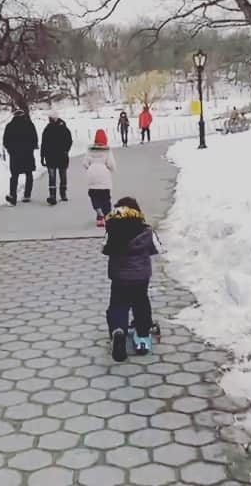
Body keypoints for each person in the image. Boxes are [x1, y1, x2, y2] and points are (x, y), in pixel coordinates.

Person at [102, 197, 159, 362]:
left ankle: (118, 331)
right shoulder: (146, 231)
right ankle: (142, 336)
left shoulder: (112, 231)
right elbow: (158, 248)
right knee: (141, 303)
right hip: (141, 277)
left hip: (119, 277)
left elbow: (104, 249)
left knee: (118, 304)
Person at [3, 109, 39, 206]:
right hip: (27, 154)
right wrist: (31, 148)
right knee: (29, 174)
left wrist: (10, 150)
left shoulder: (10, 126)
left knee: (14, 176)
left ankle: (13, 196)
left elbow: (5, 141)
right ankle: (27, 195)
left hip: (15, 155)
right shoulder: (29, 125)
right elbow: (35, 139)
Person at [83, 129, 116, 227]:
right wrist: (111, 169)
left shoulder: (90, 150)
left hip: (92, 175)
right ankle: (107, 217)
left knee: (94, 195)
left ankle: (99, 215)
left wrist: (90, 168)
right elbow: (111, 164)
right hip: (104, 176)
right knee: (105, 198)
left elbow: (84, 163)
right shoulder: (107, 151)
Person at [40, 111, 73, 205]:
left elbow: (69, 141)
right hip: (52, 157)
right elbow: (44, 144)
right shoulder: (48, 129)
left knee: (60, 176)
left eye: (50, 118)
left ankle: (62, 193)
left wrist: (66, 150)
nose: (48, 120)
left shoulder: (63, 128)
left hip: (59, 156)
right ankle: (54, 195)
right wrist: (42, 156)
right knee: (54, 176)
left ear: (53, 118)